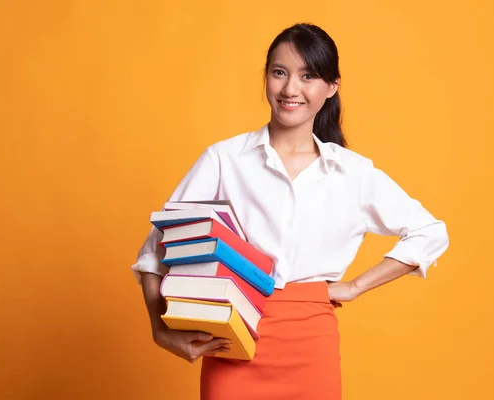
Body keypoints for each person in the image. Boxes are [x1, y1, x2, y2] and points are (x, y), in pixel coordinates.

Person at [131, 23, 449, 400]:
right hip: (234, 338)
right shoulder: (223, 159)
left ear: (331, 87)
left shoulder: (353, 172)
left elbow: (430, 232)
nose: (289, 89)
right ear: (266, 77)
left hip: (312, 346)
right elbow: (155, 251)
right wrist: (160, 329)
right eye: (279, 72)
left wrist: (354, 287)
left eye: (308, 76)